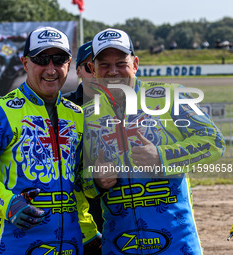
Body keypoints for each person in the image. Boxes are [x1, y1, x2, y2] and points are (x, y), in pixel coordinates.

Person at [0, 26, 99, 255]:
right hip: (19, 245)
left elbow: (76, 186)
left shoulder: (77, 115)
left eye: (58, 59)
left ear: (68, 64)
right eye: (41, 59)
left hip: (71, 245)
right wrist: (9, 204)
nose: (51, 69)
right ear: (25, 63)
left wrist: (89, 232)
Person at [81, 28, 226, 254]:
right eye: (104, 65)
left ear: (135, 63)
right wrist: (96, 181)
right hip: (119, 244)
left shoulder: (171, 95)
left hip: (176, 242)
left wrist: (162, 156)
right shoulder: (85, 115)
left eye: (121, 63)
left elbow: (214, 141)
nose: (113, 72)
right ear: (93, 70)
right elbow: (82, 184)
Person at [63, 41, 104, 233]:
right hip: (79, 208)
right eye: (89, 67)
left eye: (101, 65)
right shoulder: (62, 107)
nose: (96, 72)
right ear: (78, 71)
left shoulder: (131, 104)